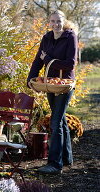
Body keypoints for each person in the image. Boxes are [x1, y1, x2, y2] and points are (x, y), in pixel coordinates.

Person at [27, 10, 78, 174]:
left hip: (64, 84)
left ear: (64, 21)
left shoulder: (70, 37)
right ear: (49, 22)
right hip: (50, 84)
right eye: (53, 21)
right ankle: (66, 158)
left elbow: (70, 64)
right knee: (61, 120)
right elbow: (37, 60)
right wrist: (31, 78)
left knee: (55, 123)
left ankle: (55, 164)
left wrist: (48, 59)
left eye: (59, 21)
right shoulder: (47, 38)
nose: (56, 24)